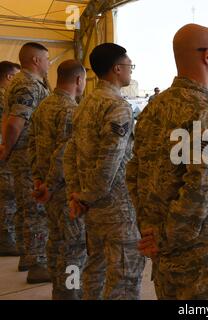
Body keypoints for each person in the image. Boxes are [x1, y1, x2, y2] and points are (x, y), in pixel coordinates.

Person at [126, 23, 208, 300]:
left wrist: (152, 232)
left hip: (164, 256)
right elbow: (199, 191)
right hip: (205, 263)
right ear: (206, 56)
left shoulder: (155, 107)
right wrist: (166, 239)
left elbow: (133, 174)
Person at [63, 43, 145, 300]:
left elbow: (69, 154)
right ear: (117, 69)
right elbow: (110, 160)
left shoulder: (84, 104)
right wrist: (88, 195)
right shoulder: (117, 106)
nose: (131, 71)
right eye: (129, 66)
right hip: (116, 209)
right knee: (124, 277)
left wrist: (77, 194)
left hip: (92, 207)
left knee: (94, 268)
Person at [28, 60, 87, 300]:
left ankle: (60, 291)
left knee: (56, 243)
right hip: (63, 191)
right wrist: (50, 185)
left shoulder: (44, 106)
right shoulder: (71, 110)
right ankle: (71, 292)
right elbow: (65, 153)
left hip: (48, 190)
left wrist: (39, 181)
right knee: (74, 248)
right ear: (78, 80)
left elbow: (31, 145)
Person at [0, 42, 51, 283]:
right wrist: (7, 148)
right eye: (47, 59)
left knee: (25, 206)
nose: (49, 64)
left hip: (24, 154)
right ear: (36, 60)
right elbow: (14, 122)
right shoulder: (27, 84)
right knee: (35, 209)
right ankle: (38, 263)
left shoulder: (21, 83)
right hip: (28, 155)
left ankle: (28, 257)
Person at [0, 61, 20, 256]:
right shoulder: (4, 97)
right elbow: (8, 125)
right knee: (7, 198)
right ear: (9, 78)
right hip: (4, 154)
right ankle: (6, 239)